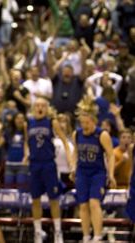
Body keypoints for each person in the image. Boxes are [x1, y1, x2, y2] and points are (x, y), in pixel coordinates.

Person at [23, 97, 72, 243]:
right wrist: (26, 154)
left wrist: (69, 158)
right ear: (33, 108)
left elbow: (64, 140)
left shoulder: (52, 122)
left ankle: (58, 231)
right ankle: (38, 232)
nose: (40, 108)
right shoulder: (29, 123)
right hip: (34, 165)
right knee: (35, 199)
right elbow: (27, 142)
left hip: (49, 164)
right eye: (37, 105)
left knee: (53, 199)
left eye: (43, 106)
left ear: (47, 108)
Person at [71, 95, 116, 243]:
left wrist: (111, 174)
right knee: (83, 205)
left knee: (94, 203)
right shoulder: (77, 134)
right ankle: (86, 236)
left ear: (94, 120)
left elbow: (110, 155)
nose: (85, 126)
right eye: (82, 122)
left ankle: (97, 236)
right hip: (82, 172)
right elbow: (75, 152)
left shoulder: (102, 135)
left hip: (97, 173)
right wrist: (73, 168)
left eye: (87, 122)